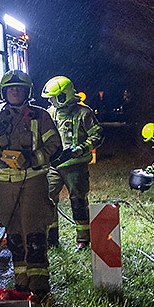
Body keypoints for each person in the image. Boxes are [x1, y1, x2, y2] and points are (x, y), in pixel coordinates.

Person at [0, 70, 62, 297]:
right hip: (5, 188)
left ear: (27, 91)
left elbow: (55, 145)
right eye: (11, 88)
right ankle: (21, 282)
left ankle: (40, 285)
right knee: (14, 234)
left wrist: (33, 160)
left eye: (19, 88)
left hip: (33, 183)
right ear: (4, 92)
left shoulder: (40, 116)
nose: (15, 91)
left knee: (34, 233)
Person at [42, 75, 103, 250]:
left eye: (54, 98)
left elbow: (97, 135)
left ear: (63, 96)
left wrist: (81, 149)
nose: (52, 102)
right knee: (48, 200)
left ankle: (83, 239)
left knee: (78, 201)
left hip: (75, 166)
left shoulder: (84, 113)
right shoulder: (50, 113)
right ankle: (51, 238)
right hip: (53, 166)